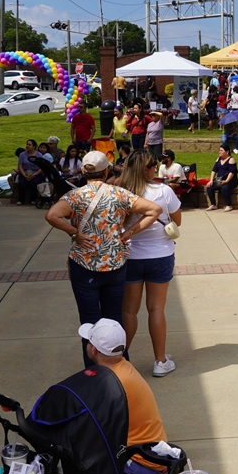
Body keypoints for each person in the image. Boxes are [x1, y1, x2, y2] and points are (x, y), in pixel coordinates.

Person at [44, 151, 161, 366]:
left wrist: (75, 233)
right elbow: (154, 210)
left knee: (89, 323)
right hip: (115, 264)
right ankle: (119, 368)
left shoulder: (75, 196)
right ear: (106, 171)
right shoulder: (120, 194)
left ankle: (93, 372)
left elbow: (52, 215)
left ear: (83, 171)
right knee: (114, 320)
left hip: (84, 265)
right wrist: (129, 233)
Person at [77, 320, 170, 474]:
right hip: (151, 458)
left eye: (89, 341)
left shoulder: (110, 384)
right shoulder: (124, 367)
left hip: (139, 466)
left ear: (94, 350)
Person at [116, 150, 181, 378]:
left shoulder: (121, 191)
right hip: (160, 254)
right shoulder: (164, 191)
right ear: (147, 169)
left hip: (131, 255)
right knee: (156, 309)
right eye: (154, 164)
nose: (157, 167)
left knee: (128, 311)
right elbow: (177, 220)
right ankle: (160, 361)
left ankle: (119, 360)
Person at [206, 143, 238, 211]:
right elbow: (214, 170)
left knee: (224, 188)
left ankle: (229, 205)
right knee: (210, 187)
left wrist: (226, 181)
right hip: (220, 180)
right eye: (219, 150)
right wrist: (211, 180)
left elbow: (232, 172)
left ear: (227, 152)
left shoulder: (231, 159)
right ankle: (213, 204)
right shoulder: (218, 159)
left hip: (231, 181)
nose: (219, 152)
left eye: (221, 150)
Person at [13, 139, 44, 206]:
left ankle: (32, 199)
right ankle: (21, 200)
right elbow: (20, 166)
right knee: (21, 183)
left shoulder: (39, 155)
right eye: (27, 144)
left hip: (36, 173)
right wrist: (24, 175)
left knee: (34, 183)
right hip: (25, 173)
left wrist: (35, 174)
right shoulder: (22, 155)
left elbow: (42, 167)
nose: (27, 146)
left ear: (34, 146)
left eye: (29, 145)